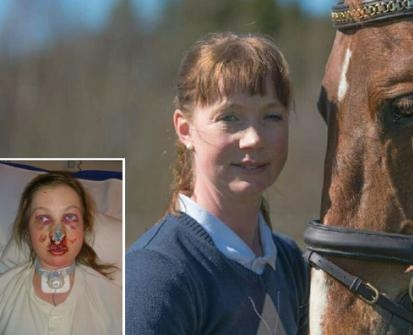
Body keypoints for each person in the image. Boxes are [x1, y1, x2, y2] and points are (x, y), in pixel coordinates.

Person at [126, 32, 309, 335]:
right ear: (185, 130)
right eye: (229, 117)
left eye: (272, 116)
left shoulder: (292, 265)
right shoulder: (157, 272)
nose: (254, 138)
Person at [0, 172, 122, 334]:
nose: (58, 234)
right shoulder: (3, 293)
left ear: (83, 227)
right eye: (43, 219)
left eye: (69, 217)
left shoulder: (114, 302)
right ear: (27, 230)